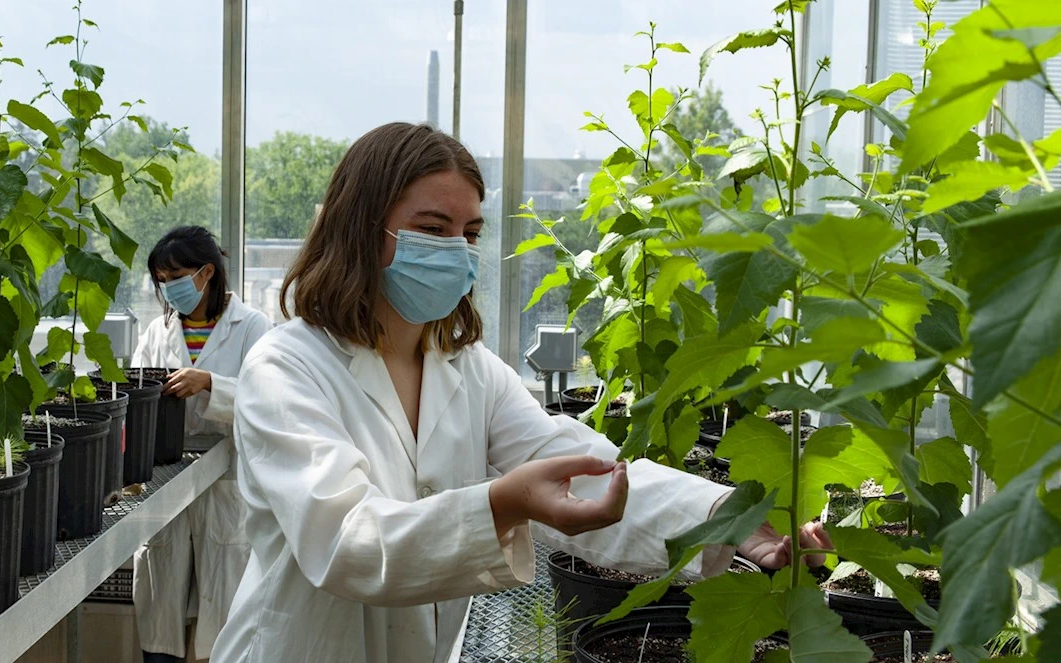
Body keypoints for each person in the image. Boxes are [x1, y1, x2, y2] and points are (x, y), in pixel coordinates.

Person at [210, 123, 830, 662]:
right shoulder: (286, 368)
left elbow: (579, 465)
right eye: (432, 228)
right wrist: (503, 504)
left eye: (470, 233)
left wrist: (728, 519)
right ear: (359, 230)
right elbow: (346, 541)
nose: (456, 251)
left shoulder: (466, 367)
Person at [131, 226, 272, 663]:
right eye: (161, 279)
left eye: (175, 276)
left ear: (206, 272)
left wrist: (209, 383)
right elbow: (137, 390)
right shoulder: (159, 331)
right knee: (161, 602)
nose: (168, 288)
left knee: (225, 612)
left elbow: (269, 402)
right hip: (167, 478)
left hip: (226, 477)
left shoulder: (251, 327)